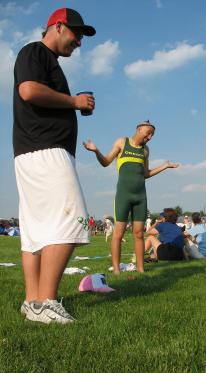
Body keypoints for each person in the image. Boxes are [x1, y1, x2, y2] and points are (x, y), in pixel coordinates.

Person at [13, 8, 96, 324]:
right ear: (58, 26)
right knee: (77, 221)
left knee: (37, 232)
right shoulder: (36, 51)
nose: (78, 42)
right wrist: (74, 102)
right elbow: (29, 90)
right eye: (76, 34)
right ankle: (46, 302)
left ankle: (32, 301)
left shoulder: (45, 60)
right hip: (46, 150)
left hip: (31, 152)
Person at [83, 121, 179, 273]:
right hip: (123, 195)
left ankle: (141, 269)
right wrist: (96, 151)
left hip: (141, 196)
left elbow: (145, 174)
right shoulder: (122, 142)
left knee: (139, 233)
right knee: (118, 233)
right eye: (148, 132)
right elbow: (106, 162)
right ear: (139, 129)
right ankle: (116, 270)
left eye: (152, 135)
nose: (150, 137)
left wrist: (164, 166)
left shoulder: (145, 150)